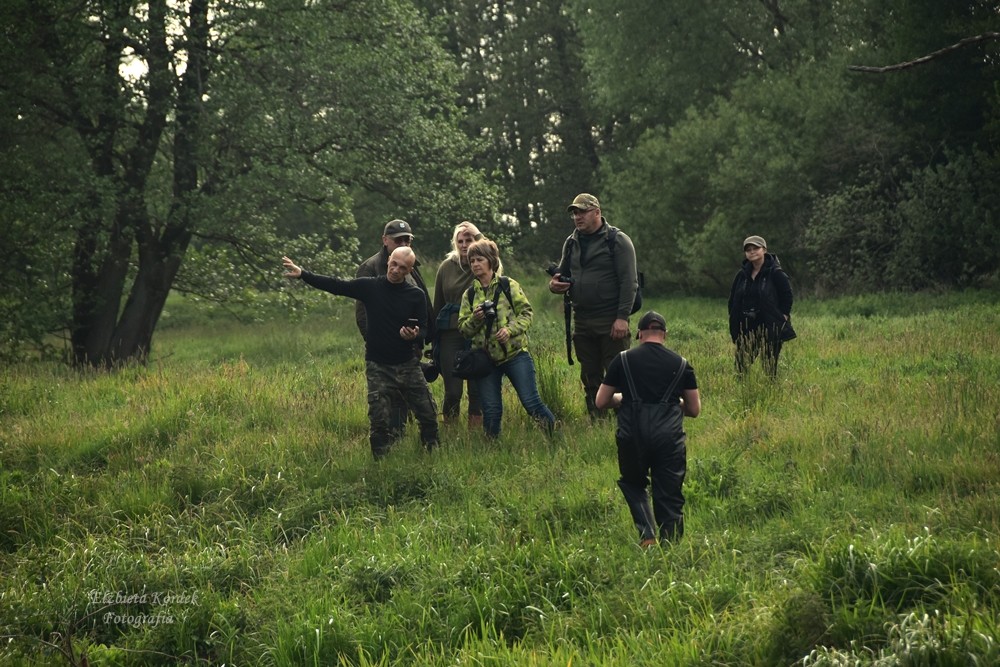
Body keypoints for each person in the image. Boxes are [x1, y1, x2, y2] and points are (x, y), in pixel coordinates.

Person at [282, 247, 439, 459]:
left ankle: (432, 455)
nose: (395, 270)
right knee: (379, 420)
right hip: (378, 365)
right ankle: (381, 464)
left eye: (402, 267)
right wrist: (303, 274)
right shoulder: (370, 286)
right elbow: (336, 285)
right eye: (393, 264)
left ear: (409, 270)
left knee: (428, 414)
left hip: (407, 363)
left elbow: (425, 328)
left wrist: (415, 335)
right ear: (388, 261)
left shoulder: (415, 295)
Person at [595, 311, 700, 547]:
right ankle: (671, 546)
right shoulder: (682, 364)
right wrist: (672, 404)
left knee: (633, 483)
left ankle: (648, 535)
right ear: (664, 335)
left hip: (633, 434)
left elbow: (601, 402)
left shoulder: (621, 360)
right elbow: (694, 409)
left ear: (639, 334)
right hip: (669, 437)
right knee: (670, 492)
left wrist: (622, 399)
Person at [549, 193, 639, 420]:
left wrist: (622, 318)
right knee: (589, 375)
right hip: (582, 319)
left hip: (610, 318)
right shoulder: (571, 242)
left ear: (597, 212)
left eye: (582, 212)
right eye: (574, 213)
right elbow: (563, 274)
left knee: (617, 373)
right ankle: (596, 419)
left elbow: (630, 282)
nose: (577, 217)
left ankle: (624, 420)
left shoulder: (617, 241)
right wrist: (555, 285)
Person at [458, 238, 555, 439]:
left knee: (531, 403)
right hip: (485, 359)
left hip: (515, 354)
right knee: (491, 410)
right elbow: (463, 330)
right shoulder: (469, 295)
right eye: (472, 260)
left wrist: (509, 330)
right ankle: (492, 450)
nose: (475, 264)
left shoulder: (508, 285)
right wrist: (476, 319)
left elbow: (527, 313)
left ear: (491, 261)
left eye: (480, 259)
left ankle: (554, 438)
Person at [355, 219, 434, 438]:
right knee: (386, 402)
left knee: (416, 399)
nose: (404, 244)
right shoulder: (370, 267)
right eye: (398, 240)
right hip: (383, 351)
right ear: (385, 241)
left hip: (410, 345)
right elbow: (362, 314)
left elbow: (424, 302)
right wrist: (376, 342)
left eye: (407, 240)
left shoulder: (411, 265)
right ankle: (393, 441)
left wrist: (424, 337)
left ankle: (409, 438)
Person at [432, 221, 486, 427]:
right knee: (453, 390)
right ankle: (451, 432)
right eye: (460, 241)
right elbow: (438, 303)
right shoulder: (446, 267)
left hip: (477, 331)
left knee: (476, 389)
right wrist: (433, 337)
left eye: (469, 240)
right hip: (451, 333)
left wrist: (479, 237)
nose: (464, 245)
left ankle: (474, 435)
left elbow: (494, 263)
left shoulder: (483, 262)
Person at [727, 235, 793, 377]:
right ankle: (742, 390)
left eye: (756, 248)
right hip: (747, 325)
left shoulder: (776, 273)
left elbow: (787, 295)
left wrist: (783, 316)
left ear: (764, 250)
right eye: (748, 249)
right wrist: (734, 317)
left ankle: (771, 389)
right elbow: (733, 298)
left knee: (769, 363)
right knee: (741, 364)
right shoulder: (742, 275)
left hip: (769, 323)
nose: (752, 252)